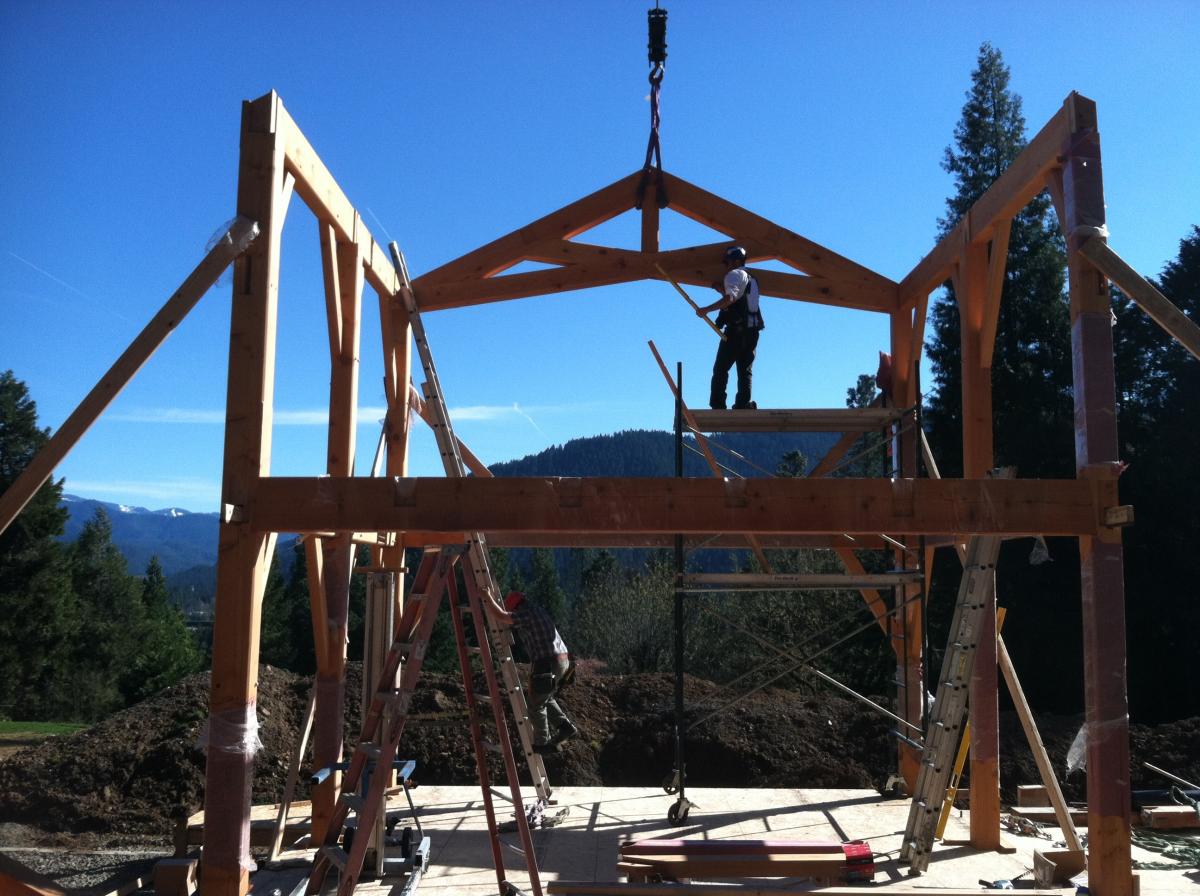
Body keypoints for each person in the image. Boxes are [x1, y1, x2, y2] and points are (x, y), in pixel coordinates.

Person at [504, 590, 578, 753]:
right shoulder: (536, 610)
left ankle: (542, 743)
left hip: (547, 663)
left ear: (515, 608)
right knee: (545, 697)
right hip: (562, 661)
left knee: (535, 705)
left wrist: (487, 597)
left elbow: (503, 617)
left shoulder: (526, 614)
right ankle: (565, 727)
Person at [696, 245, 765, 410]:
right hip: (752, 332)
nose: (725, 266)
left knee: (721, 369)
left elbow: (730, 299)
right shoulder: (751, 278)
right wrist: (720, 289)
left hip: (736, 331)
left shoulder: (733, 274)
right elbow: (739, 300)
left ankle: (718, 405)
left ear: (735, 261)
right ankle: (743, 403)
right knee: (745, 370)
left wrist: (706, 309)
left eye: (726, 263)